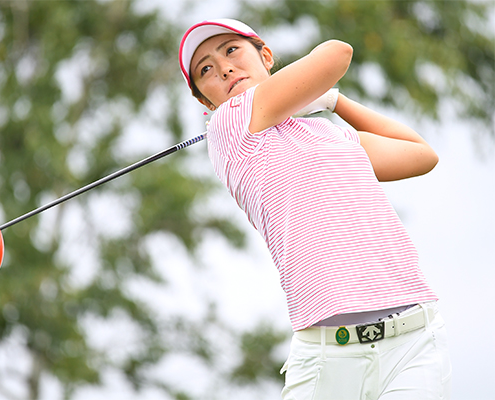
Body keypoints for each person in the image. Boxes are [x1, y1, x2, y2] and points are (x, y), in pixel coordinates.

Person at [179, 19, 451, 400]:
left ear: (266, 55)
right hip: (327, 359)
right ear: (205, 102)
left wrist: (335, 102)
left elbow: (421, 154)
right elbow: (337, 53)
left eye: (231, 50)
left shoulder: (329, 133)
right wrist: (317, 93)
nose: (224, 68)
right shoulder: (229, 124)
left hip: (413, 343)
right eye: (205, 69)